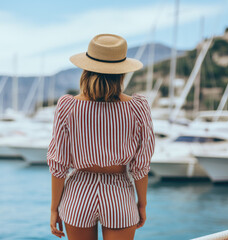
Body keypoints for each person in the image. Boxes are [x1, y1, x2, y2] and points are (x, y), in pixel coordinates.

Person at [48, 34, 155, 240]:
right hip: (119, 191)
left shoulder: (67, 106)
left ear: (86, 70)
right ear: (121, 72)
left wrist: (54, 208)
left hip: (78, 192)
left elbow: (58, 163)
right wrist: (142, 203)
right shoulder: (138, 107)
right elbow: (141, 165)